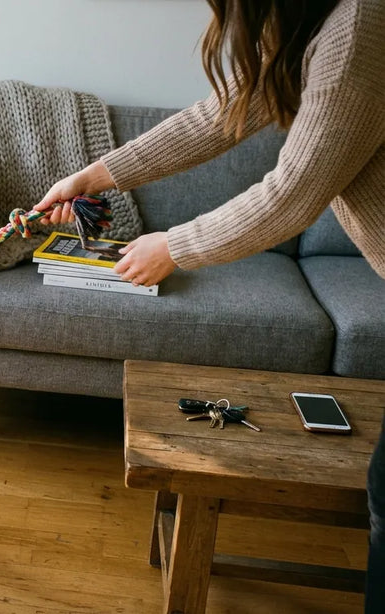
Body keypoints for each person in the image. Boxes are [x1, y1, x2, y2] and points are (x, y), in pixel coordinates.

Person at [32, 0, 384, 610]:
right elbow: (218, 117)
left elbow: (291, 196)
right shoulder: (321, 29)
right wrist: (99, 174)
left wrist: (173, 246)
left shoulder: (359, 26)